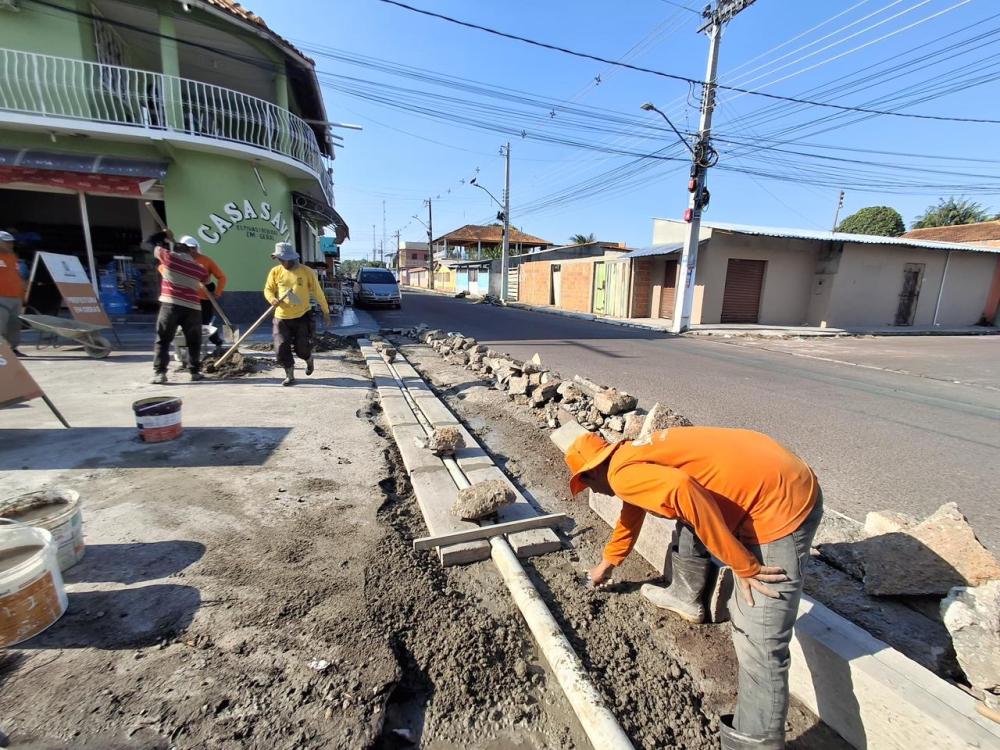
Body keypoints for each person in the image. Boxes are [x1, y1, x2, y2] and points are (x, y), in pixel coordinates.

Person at [557, 423, 823, 750]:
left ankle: (755, 742)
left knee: (760, 636)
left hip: (781, 501)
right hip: (772, 472)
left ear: (593, 472)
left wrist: (744, 564)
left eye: (585, 483)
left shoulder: (622, 477)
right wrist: (606, 565)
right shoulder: (630, 458)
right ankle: (685, 597)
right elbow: (632, 515)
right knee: (686, 513)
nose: (591, 492)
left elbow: (683, 489)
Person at [264, 242, 331, 386]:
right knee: (280, 347)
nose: (281, 262)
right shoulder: (276, 271)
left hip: (302, 316)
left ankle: (308, 359)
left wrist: (326, 311)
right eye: (279, 259)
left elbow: (318, 293)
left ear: (291, 258)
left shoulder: (306, 272)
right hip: (281, 317)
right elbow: (268, 289)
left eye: (283, 259)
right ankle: (290, 375)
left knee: (302, 349)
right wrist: (272, 299)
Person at [150, 232, 210, 384]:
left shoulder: (168, 257)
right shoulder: (200, 268)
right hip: (193, 308)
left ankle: (160, 373)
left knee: (163, 340)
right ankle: (195, 372)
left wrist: (162, 235)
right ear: (192, 251)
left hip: (171, 305)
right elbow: (208, 282)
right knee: (194, 342)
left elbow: (148, 244)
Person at [181, 237, 227, 354]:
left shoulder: (206, 261)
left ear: (197, 247)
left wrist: (218, 292)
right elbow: (162, 268)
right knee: (187, 324)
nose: (192, 251)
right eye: (188, 248)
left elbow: (222, 277)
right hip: (186, 300)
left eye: (193, 248)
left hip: (205, 300)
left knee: (205, 325)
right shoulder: (179, 261)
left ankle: (217, 343)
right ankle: (188, 348)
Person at [0, 230, 24, 355]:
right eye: (7, 242)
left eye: (11, 242)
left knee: (14, 325)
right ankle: (1, 351)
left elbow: (17, 275)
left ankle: (13, 349)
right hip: (1, 297)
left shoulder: (13, 257)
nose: (10, 245)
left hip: (15, 297)